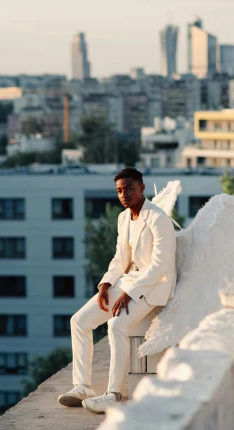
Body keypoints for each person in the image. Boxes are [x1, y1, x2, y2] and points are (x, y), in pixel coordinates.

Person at [58, 167, 177, 413]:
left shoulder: (158, 218)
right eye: (119, 191)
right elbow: (119, 258)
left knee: (117, 325)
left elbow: (161, 265)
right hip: (127, 282)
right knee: (79, 321)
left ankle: (115, 393)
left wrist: (129, 294)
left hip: (153, 286)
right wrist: (105, 284)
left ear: (142, 188)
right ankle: (82, 386)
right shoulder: (124, 218)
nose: (124, 195)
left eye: (129, 189)